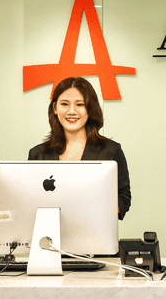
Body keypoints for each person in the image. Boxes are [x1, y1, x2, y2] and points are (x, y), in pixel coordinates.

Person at [28, 76, 131, 220]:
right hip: (50, 229)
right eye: (64, 104)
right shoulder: (38, 154)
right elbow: (30, 198)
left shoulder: (111, 150)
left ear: (90, 108)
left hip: (95, 229)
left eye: (80, 104)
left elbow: (124, 198)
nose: (72, 111)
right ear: (55, 108)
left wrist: (95, 208)